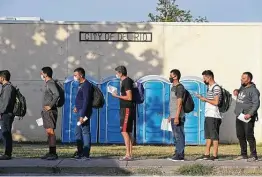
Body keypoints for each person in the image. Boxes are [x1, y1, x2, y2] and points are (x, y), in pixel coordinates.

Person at [195, 70, 222, 161]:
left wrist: (204, 99)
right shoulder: (209, 87)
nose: (203, 79)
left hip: (214, 115)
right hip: (208, 115)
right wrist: (202, 98)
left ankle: (215, 155)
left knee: (214, 135)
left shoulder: (216, 88)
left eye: (204, 78)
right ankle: (206, 154)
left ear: (209, 77)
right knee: (208, 135)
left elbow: (216, 102)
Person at [233, 72, 260, 161]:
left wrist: (250, 114)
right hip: (239, 115)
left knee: (249, 135)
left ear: (249, 80)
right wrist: (236, 90)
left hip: (247, 116)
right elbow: (239, 91)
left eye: (244, 78)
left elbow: (256, 104)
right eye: (241, 78)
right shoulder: (242, 87)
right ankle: (243, 154)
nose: (241, 80)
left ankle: (253, 155)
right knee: (240, 135)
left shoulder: (253, 90)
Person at [112, 66, 135, 161]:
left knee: (124, 131)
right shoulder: (127, 81)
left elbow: (129, 97)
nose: (116, 75)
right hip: (125, 108)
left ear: (121, 73)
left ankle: (128, 154)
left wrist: (117, 96)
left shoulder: (126, 81)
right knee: (128, 131)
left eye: (117, 73)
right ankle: (129, 154)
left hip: (126, 109)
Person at [73, 67, 93, 160]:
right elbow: (80, 99)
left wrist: (82, 115)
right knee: (78, 132)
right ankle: (80, 152)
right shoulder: (80, 84)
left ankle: (86, 154)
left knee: (85, 131)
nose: (74, 77)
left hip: (84, 113)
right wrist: (76, 107)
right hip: (79, 111)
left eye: (75, 75)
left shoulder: (86, 85)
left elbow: (86, 101)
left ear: (81, 75)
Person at [40, 67, 60, 160]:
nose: (41, 74)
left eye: (42, 73)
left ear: (45, 74)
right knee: (48, 132)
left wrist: (50, 105)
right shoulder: (48, 83)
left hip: (50, 111)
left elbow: (57, 94)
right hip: (46, 112)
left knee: (50, 132)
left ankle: (53, 153)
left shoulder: (51, 83)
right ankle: (50, 152)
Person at [167, 69, 186, 161]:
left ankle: (180, 155)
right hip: (173, 115)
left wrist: (177, 116)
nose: (170, 77)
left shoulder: (179, 87)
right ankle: (177, 152)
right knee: (175, 135)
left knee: (179, 135)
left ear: (176, 77)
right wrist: (171, 115)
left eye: (171, 75)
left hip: (178, 116)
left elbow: (179, 103)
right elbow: (172, 103)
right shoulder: (173, 87)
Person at [0, 70, 16, 160]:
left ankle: (7, 154)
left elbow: (5, 103)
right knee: (5, 133)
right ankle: (7, 153)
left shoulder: (8, 88)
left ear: (2, 77)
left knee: (6, 133)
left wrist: (1, 112)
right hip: (5, 113)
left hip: (6, 114)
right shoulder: (6, 87)